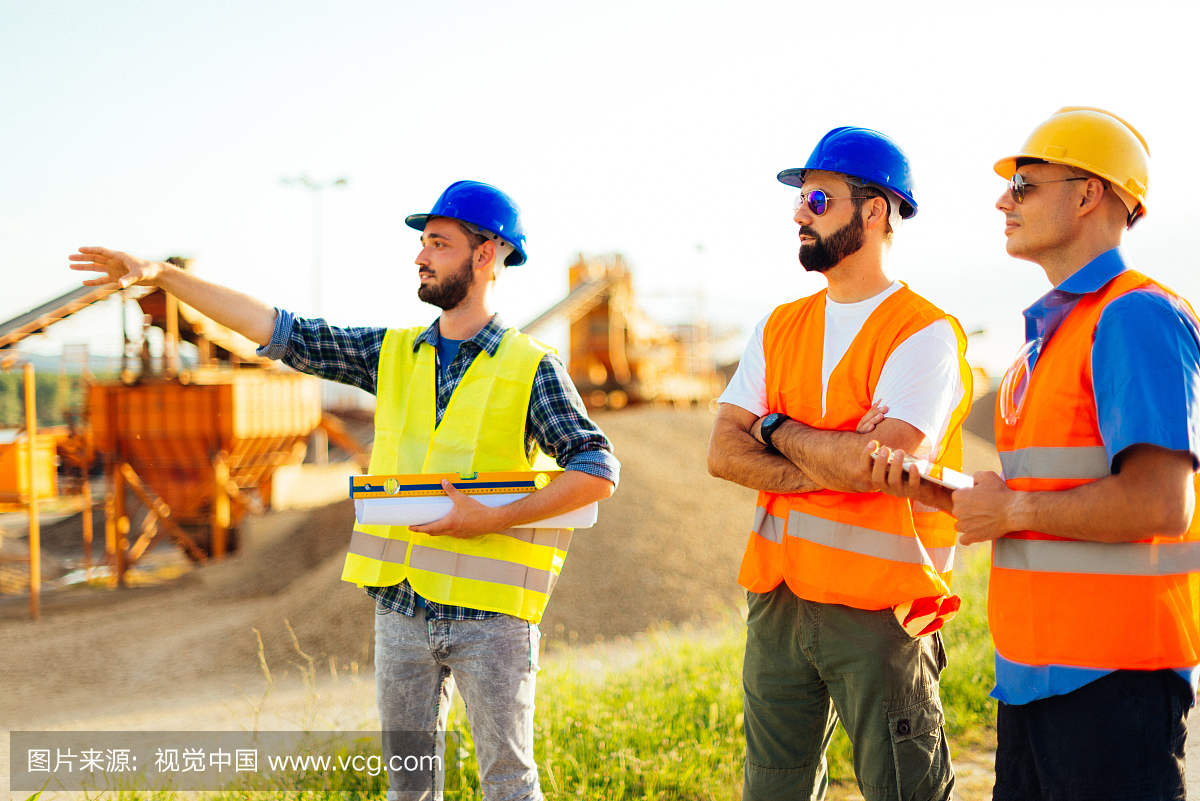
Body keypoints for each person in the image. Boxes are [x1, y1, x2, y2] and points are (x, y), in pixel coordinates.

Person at [70, 180, 619, 801]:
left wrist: (490, 518)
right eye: (422, 242)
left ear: (487, 254)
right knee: (407, 789)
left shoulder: (531, 366)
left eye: (439, 243)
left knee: (509, 785)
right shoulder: (395, 355)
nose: (421, 255)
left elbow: (596, 469)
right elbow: (283, 330)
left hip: (491, 622)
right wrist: (161, 275)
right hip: (401, 610)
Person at [866, 107, 1200, 800]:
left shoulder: (1134, 315)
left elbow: (1161, 503)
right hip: (1032, 681)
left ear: (1088, 195)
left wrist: (1011, 506)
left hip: (1114, 688)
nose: (1002, 200)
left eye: (1024, 184)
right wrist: (928, 485)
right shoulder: (1041, 345)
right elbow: (1044, 502)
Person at [707, 126, 972, 801]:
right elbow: (722, 452)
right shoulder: (780, 325)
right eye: (800, 200)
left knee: (904, 789)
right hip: (779, 602)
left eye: (818, 199)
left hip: (880, 609)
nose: (799, 213)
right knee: (773, 789)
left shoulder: (922, 331)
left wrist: (773, 428)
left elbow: (878, 461)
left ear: (874, 210)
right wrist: (833, 458)